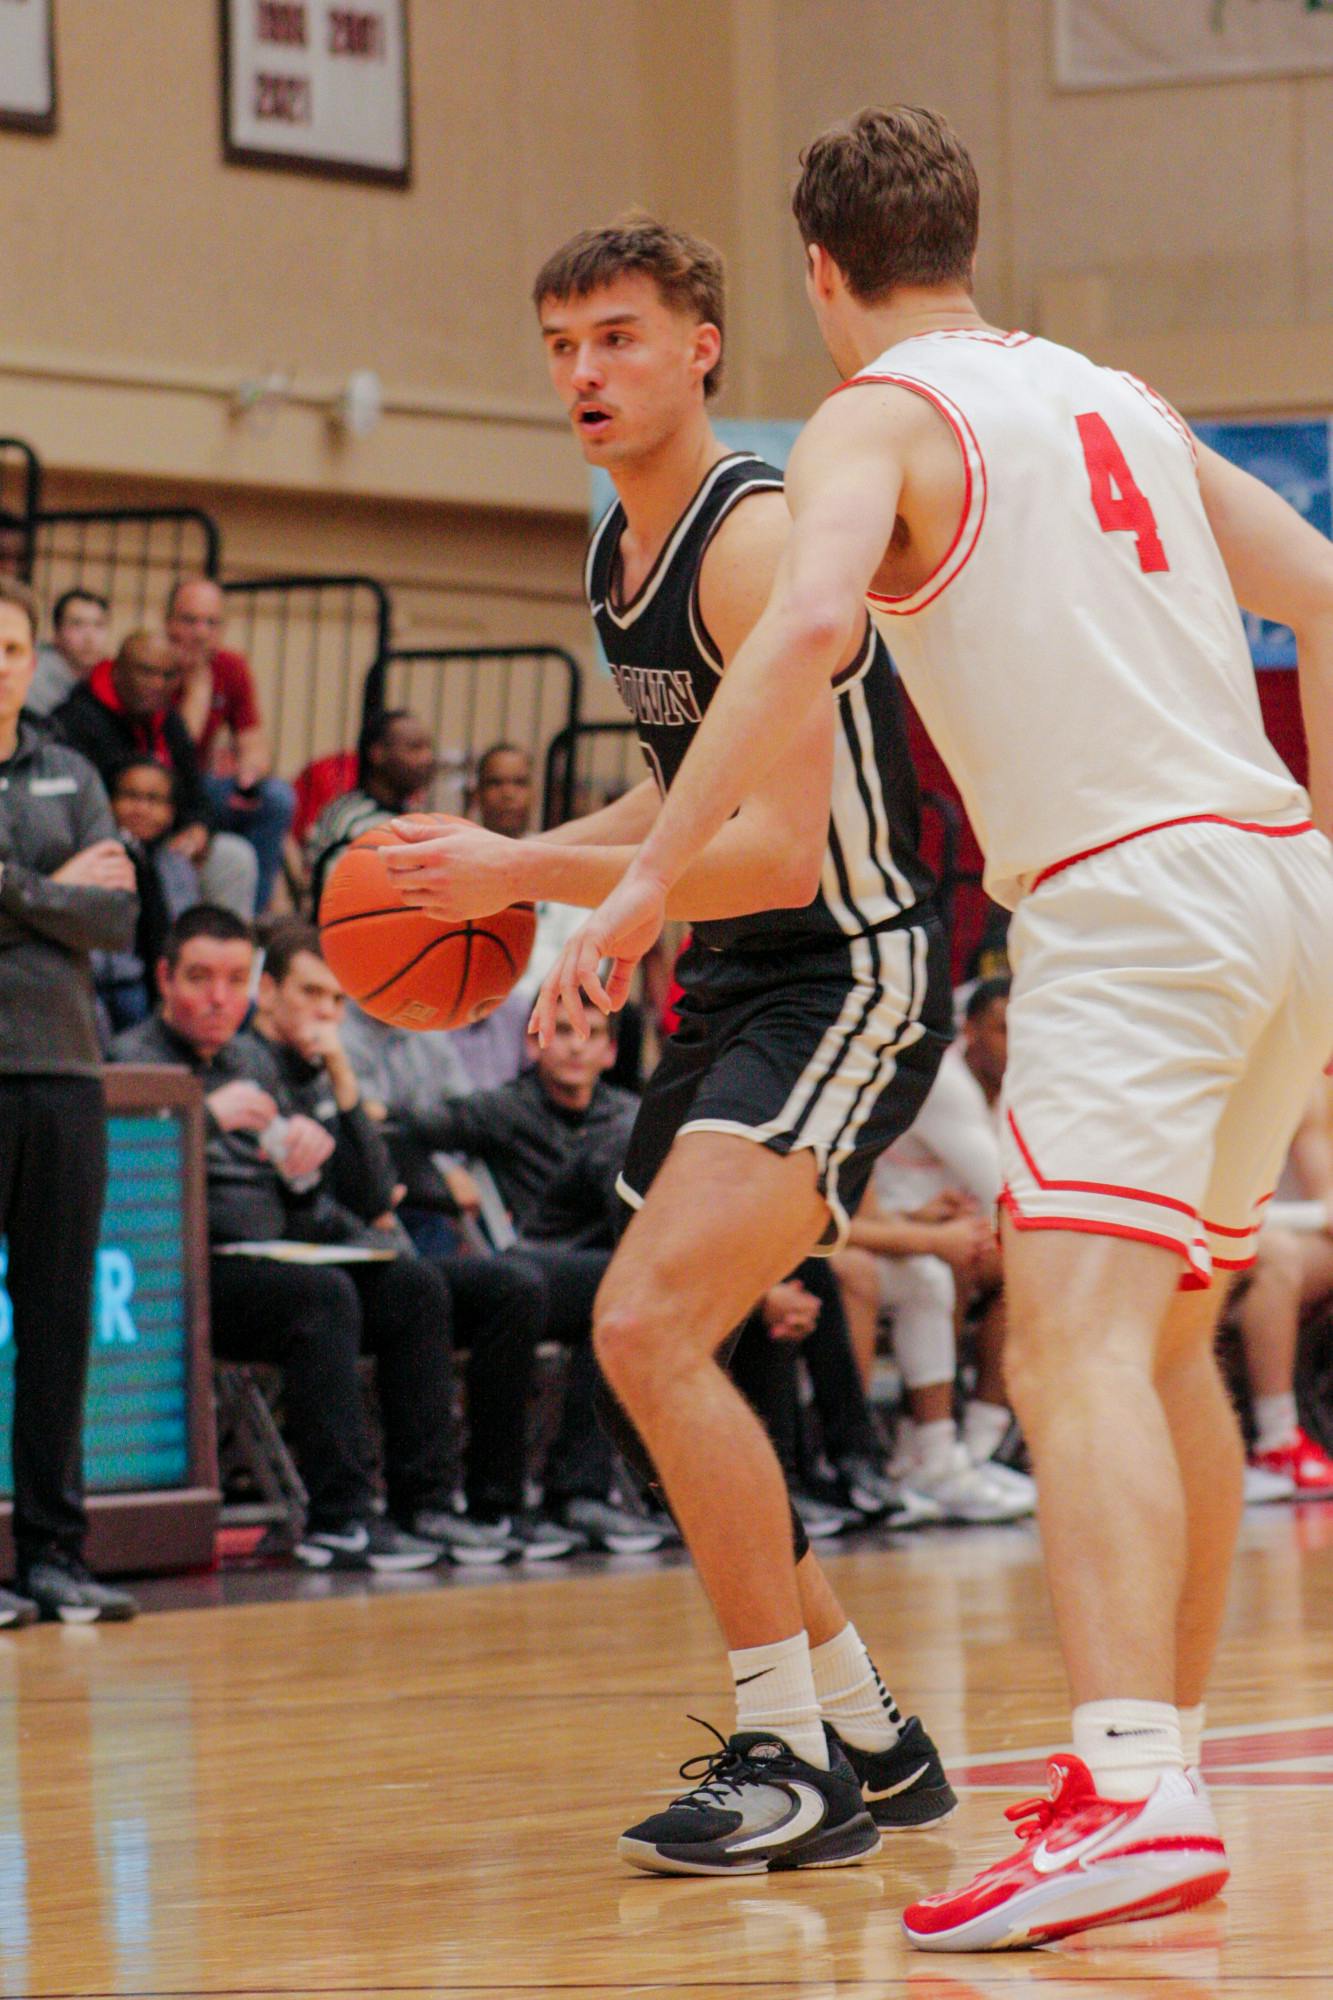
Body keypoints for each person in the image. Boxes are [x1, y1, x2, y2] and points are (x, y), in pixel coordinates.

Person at [535, 110, 1333, 1943]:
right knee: (1157, 1339)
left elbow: (807, 621)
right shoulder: (1114, 395)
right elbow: (1318, 585)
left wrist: (648, 872)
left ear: (814, 275)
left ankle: (1129, 1789)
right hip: (1278, 877)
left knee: (1060, 1343)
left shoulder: (870, 420)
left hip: (1130, 899)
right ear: (964, 241)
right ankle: (1157, 1763)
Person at [383, 216, 958, 1872]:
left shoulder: (748, 539)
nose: (584, 371)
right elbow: (677, 800)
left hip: (845, 965)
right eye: (561, 344)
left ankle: (784, 1760)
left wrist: (532, 880)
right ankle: (862, 1725)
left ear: (703, 344)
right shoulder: (615, 554)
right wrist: (581, 907)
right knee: (669, 1349)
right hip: (734, 989)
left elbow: (776, 849)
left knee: (640, 1326)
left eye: (619, 337)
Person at [110, 905, 452, 1574]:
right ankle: (339, 1518)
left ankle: (424, 1505)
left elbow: (306, 1195)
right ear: (162, 978)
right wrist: (202, 1120)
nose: (219, 998)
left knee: (413, 1286)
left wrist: (300, 1171)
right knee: (320, 1298)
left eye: (236, 980)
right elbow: (121, 1189)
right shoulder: (129, 1058)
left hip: (275, 1251)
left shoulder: (251, 1058)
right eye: (200, 978)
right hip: (184, 1269)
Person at [250, 919, 568, 1563]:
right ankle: (372, 1507)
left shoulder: (323, 1069)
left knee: (511, 1286)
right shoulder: (243, 1066)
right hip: (278, 1269)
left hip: (347, 1253)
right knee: (403, 1282)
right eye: (312, 994)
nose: (326, 1015)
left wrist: (341, 1077)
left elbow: (371, 1192)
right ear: (267, 992)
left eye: (338, 1001)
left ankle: (485, 1504)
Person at [0, 575, 140, 1624]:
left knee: (58, 1322)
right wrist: (59, 889)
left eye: (9, 646)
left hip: (64, 1073)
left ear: (27, 659)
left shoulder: (72, 771)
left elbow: (117, 919)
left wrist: (14, 887)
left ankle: (54, 1553)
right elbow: (79, 902)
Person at [54, 629, 258, 918]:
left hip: (165, 839)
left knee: (234, 856)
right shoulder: (74, 720)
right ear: (118, 669)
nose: (158, 684)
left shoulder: (167, 718)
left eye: (168, 675)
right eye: (147, 672)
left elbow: (196, 796)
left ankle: (220, 956)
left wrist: (198, 828)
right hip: (98, 843)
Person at [166, 576, 296, 913]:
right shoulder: (157, 665)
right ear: (169, 623)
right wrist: (197, 688)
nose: (201, 631)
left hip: (206, 789)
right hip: (167, 788)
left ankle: (250, 921)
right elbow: (177, 752)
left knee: (276, 798)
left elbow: (254, 742)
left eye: (211, 622)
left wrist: (250, 771)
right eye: (190, 620)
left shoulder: (230, 666)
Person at [1229, 1080, 1333, 1495]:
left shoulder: (1301, 1079)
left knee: (1278, 1252)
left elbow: (1327, 1194)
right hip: (1182, 1241)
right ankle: (1279, 1436)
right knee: (1277, 1254)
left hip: (1262, 1239)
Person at [92, 758, 200, 1036]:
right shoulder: (96, 858)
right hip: (112, 982)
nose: (141, 808)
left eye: (154, 799)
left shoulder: (179, 866)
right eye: (130, 796)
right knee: (131, 999)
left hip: (167, 980)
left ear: (171, 811)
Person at [306, 707, 436, 912]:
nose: (427, 758)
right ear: (377, 753)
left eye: (429, 747)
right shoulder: (350, 819)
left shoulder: (412, 813)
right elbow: (340, 900)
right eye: (415, 748)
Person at [25, 588, 110, 719]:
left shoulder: (103, 678)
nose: (90, 637)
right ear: (57, 633)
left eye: (98, 625)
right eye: (77, 624)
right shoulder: (33, 679)